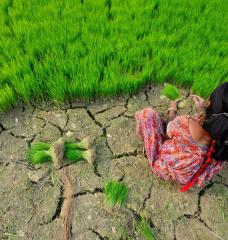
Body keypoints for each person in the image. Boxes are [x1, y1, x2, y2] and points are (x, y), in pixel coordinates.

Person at [135, 82, 228, 192]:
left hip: (170, 168)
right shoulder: (224, 136)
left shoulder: (185, 122)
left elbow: (167, 133)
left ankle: (155, 160)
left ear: (209, 102)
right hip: (189, 175)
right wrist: (203, 110)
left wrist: (172, 109)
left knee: (147, 114)